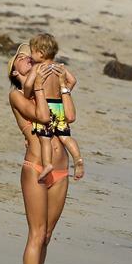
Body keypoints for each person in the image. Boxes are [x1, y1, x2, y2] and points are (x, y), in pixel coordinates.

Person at [8, 44, 75, 264]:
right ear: (15, 71)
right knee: (36, 233)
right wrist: (37, 84)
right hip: (36, 167)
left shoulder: (51, 91)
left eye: (31, 56)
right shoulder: (16, 96)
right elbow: (41, 116)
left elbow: (69, 117)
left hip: (60, 169)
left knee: (46, 235)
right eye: (23, 59)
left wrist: (67, 86)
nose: (30, 60)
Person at [23, 33, 84, 182]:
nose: (30, 55)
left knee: (45, 139)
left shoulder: (38, 68)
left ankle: (48, 164)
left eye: (32, 51)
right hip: (59, 106)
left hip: (45, 105)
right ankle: (78, 159)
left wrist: (27, 94)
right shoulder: (58, 67)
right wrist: (64, 90)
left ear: (41, 53)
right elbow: (73, 80)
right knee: (65, 137)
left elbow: (29, 85)